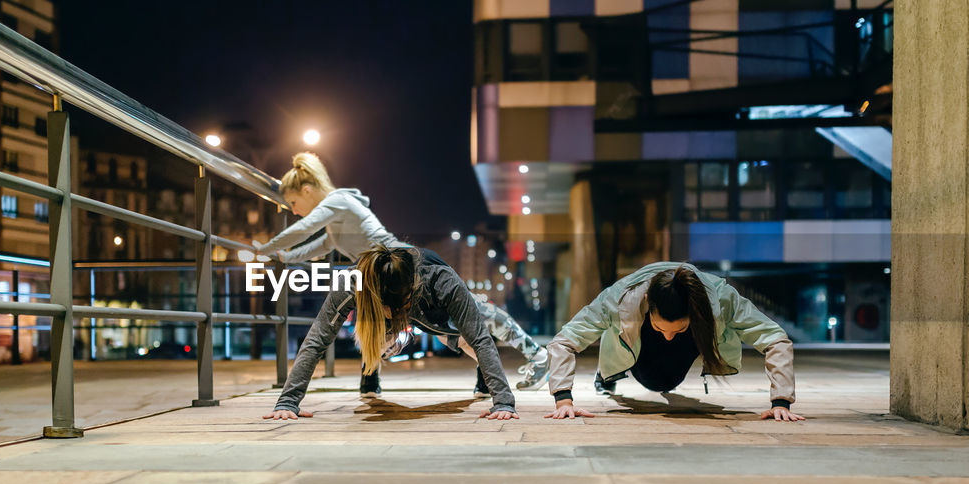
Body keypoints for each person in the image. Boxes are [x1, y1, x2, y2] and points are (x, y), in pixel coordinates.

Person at [254, 152, 549, 397]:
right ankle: (370, 381)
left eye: (293, 203)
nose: (293, 210)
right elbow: (319, 244)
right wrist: (287, 257)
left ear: (307, 190)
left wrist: (267, 247)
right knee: (373, 323)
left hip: (405, 265)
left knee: (473, 316)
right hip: (373, 278)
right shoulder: (336, 217)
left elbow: (304, 230)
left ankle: (537, 356)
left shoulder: (337, 203)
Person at [263, 245, 517, 421]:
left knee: (468, 342)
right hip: (382, 306)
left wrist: (503, 402)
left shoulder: (442, 280)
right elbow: (317, 339)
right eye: (387, 308)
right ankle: (370, 375)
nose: (393, 314)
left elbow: (480, 337)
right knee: (377, 338)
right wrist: (288, 402)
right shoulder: (352, 283)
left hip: (432, 309)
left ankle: (483, 376)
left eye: (398, 308)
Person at [543, 262, 804, 422]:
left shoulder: (722, 300)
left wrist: (780, 402)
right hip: (639, 345)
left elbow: (776, 339)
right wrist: (563, 400)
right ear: (647, 301)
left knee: (667, 381)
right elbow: (564, 342)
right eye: (661, 328)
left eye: (678, 329)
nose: (668, 337)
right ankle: (608, 370)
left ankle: (674, 332)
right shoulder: (616, 300)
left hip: (687, 343)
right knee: (653, 380)